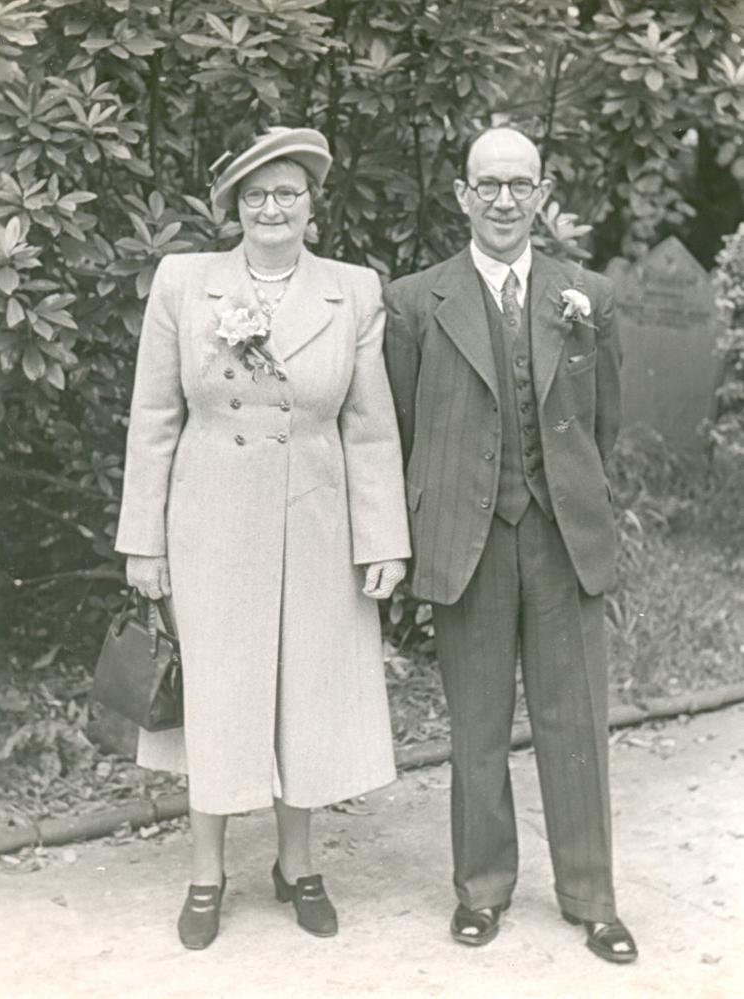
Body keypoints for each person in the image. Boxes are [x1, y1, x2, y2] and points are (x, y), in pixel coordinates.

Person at [115, 126, 410, 949]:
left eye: (287, 193)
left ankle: (296, 864)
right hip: (209, 522)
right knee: (216, 694)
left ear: (311, 206)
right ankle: (205, 874)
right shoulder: (184, 282)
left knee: (305, 693)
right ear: (233, 208)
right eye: (256, 195)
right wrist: (145, 540)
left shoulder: (351, 291)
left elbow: (371, 427)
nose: (271, 208)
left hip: (316, 524)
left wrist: (382, 538)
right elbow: (154, 416)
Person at [383, 126, 637, 964]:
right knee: (477, 725)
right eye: (485, 184)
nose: (501, 199)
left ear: (541, 194)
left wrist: (570, 498)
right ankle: (481, 889)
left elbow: (603, 424)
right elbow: (406, 425)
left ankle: (591, 895)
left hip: (563, 537)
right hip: (469, 538)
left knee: (575, 721)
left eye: (517, 184)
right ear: (461, 194)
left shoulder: (586, 294)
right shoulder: (417, 300)